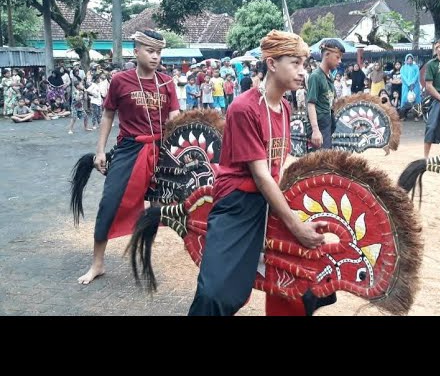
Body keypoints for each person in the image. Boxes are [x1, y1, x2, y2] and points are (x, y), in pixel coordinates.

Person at [188, 30, 326, 316]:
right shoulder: (243, 108)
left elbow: (277, 168)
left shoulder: (286, 107)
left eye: (305, 64)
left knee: (308, 281)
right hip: (237, 205)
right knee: (216, 295)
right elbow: (261, 176)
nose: (303, 72)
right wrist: (296, 227)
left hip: (269, 199)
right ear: (272, 64)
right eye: (296, 63)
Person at [77, 29, 180, 285]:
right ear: (136, 51)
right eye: (150, 51)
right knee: (109, 203)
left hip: (161, 150)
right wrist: (100, 151)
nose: (155, 57)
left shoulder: (167, 82)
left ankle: (143, 252)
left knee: (158, 210)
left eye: (159, 52)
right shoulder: (120, 81)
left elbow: (175, 118)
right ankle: (97, 263)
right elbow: (108, 116)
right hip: (129, 149)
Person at [306, 39, 344, 150]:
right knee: (320, 164)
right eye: (337, 57)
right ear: (327, 54)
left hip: (327, 123)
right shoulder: (315, 76)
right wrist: (315, 130)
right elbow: (311, 104)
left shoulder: (330, 76)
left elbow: (331, 102)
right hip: (319, 126)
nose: (340, 61)